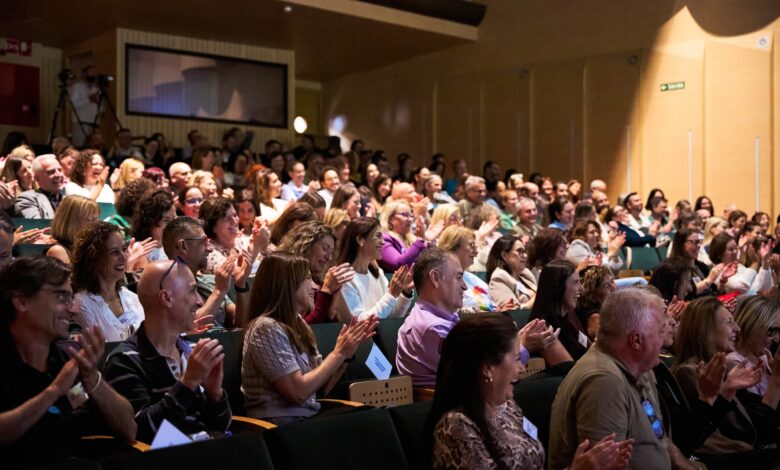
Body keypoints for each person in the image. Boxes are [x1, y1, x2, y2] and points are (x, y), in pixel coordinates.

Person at [428, 314, 628, 470]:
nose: (522, 368)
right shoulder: (457, 427)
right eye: (516, 359)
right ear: (488, 368)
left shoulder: (507, 407)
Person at [0, 256, 136, 465]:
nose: (73, 308)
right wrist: (53, 391)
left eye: (71, 297)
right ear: (21, 301)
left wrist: (92, 378)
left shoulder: (67, 359)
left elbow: (129, 429)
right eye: (62, 297)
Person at [549, 287, 686, 470]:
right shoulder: (603, 383)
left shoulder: (636, 367)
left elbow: (659, 436)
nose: (663, 342)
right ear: (636, 341)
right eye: (659, 333)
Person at [103, 259, 232, 443]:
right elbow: (144, 434)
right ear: (166, 298)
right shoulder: (125, 361)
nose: (199, 301)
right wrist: (188, 383)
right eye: (192, 291)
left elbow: (222, 426)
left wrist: (215, 394)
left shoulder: (191, 351)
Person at [241, 251, 377, 425]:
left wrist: (346, 355)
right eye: (307, 278)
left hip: (306, 419)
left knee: (374, 416)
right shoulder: (265, 328)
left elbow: (320, 389)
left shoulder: (299, 324)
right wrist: (338, 354)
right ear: (287, 284)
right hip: (279, 423)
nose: (315, 287)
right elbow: (298, 393)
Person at [673, 297, 780, 465]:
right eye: (729, 322)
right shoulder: (690, 374)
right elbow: (709, 436)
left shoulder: (718, 368)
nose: (737, 328)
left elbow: (753, 424)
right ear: (707, 330)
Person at [163, 216, 252, 329]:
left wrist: (241, 285)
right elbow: (191, 328)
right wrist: (218, 292)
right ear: (183, 246)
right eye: (203, 242)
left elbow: (241, 323)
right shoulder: (168, 290)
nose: (210, 248)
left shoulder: (210, 282)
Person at [72, 222, 144, 342]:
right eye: (115, 252)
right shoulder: (83, 304)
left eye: (124, 249)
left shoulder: (131, 297)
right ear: (94, 257)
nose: (123, 257)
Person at [333, 218, 413, 321]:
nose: (383, 242)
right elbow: (359, 322)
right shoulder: (344, 278)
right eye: (378, 236)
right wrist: (391, 295)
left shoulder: (378, 273)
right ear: (360, 240)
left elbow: (392, 316)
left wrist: (405, 292)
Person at [278, 222, 354, 324]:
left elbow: (324, 327)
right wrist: (326, 292)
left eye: (331, 252)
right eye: (325, 248)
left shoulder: (320, 283)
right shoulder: (287, 276)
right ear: (305, 246)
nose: (329, 257)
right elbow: (303, 328)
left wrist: (331, 311)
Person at [530, 259, 589, 360]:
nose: (581, 288)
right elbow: (569, 367)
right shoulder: (543, 328)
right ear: (558, 287)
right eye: (575, 282)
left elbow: (589, 348)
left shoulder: (570, 315)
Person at [726, 296, 780, 397]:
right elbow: (756, 405)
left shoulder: (764, 357)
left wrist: (774, 371)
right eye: (772, 331)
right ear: (752, 326)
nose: (777, 339)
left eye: (779, 331)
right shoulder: (735, 362)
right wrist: (776, 377)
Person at [439, 225, 497, 312]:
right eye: (471, 245)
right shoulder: (442, 281)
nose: (476, 252)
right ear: (452, 248)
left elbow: (493, 306)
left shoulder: (474, 279)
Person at [379, 200, 444, 272]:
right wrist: (420, 238)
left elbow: (430, 263)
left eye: (411, 215)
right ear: (389, 219)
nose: (410, 219)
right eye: (404, 215)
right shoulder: (384, 239)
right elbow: (399, 265)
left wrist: (428, 241)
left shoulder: (411, 238)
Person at [486, 234, 537, 310]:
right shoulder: (499, 278)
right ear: (504, 255)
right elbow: (512, 311)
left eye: (524, 251)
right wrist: (537, 298)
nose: (525, 256)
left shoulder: (526, 274)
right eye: (520, 251)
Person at [48, 195, 99, 264]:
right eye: (91, 219)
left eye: (97, 218)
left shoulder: (89, 248)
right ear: (71, 222)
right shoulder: (58, 252)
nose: (97, 224)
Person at [132, 188, 176, 265]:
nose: (173, 224)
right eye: (166, 220)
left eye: (174, 219)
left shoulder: (174, 246)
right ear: (151, 220)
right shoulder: (140, 249)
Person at [15, 154, 66, 219]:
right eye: (51, 172)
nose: (58, 175)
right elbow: (37, 224)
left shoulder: (70, 194)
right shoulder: (27, 198)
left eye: (60, 170)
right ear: (36, 178)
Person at [575, 265, 616, 340]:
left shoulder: (606, 307)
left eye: (612, 281)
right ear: (592, 295)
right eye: (606, 285)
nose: (613, 287)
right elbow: (606, 343)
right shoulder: (594, 318)